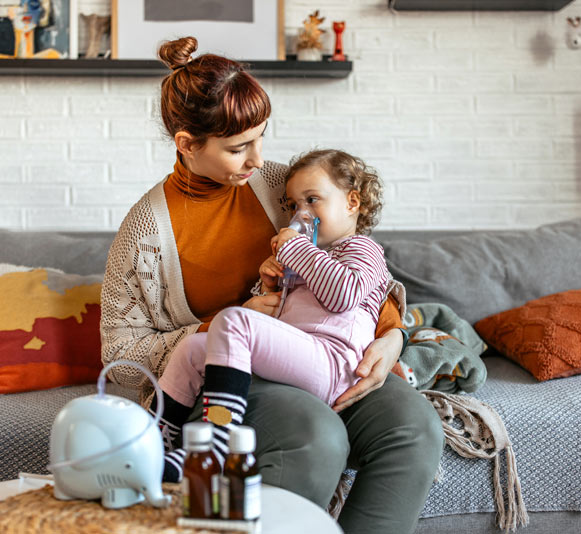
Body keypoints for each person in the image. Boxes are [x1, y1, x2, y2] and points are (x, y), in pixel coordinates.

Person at [100, 36, 444, 534]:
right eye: (239, 147)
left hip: (325, 355)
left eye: (262, 137)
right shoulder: (145, 231)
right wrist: (223, 323)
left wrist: (393, 337)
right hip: (229, 381)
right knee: (315, 434)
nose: (258, 159)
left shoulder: (283, 187)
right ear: (187, 144)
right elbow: (121, 355)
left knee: (413, 427)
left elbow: (357, 266)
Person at [153, 148, 407, 482]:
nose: (301, 213)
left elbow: (343, 295)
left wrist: (295, 249)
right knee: (193, 348)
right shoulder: (309, 259)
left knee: (232, 320)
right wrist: (267, 284)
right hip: (302, 354)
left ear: (352, 202)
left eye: (313, 200)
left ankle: (215, 443)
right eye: (293, 205)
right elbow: (273, 320)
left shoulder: (363, 249)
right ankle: (158, 440)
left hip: (334, 364)